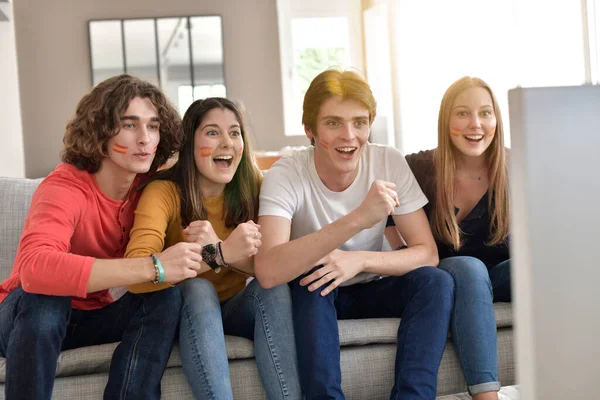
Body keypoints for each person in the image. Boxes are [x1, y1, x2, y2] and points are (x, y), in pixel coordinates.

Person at [0, 74, 205, 399]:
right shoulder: (66, 185)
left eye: (153, 126)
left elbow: (209, 166)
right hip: (23, 316)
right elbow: (35, 268)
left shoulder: (149, 186)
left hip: (95, 315)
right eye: (129, 125)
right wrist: (152, 267)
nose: (144, 139)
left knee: (165, 297)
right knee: (47, 298)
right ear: (100, 132)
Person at [254, 68, 455, 400]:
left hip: (369, 286)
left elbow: (427, 254)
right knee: (312, 280)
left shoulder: (387, 161)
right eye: (334, 123)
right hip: (315, 295)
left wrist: (358, 260)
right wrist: (359, 218)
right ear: (311, 130)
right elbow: (268, 269)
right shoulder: (287, 173)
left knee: (437, 281)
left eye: (359, 122)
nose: (349, 135)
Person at [126, 97, 302, 400]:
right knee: (198, 289)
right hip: (183, 312)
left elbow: (276, 265)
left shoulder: (254, 185)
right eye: (212, 132)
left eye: (234, 133)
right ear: (189, 143)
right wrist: (218, 255)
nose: (227, 143)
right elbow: (137, 272)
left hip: (236, 308)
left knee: (271, 289)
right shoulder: (163, 191)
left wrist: (225, 251)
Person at [387, 76, 510, 400]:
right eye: (462, 113)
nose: (475, 124)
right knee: (469, 268)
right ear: (446, 120)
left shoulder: (516, 165)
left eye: (485, 113)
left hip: (496, 277)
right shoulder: (418, 166)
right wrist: (405, 259)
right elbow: (387, 219)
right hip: (448, 275)